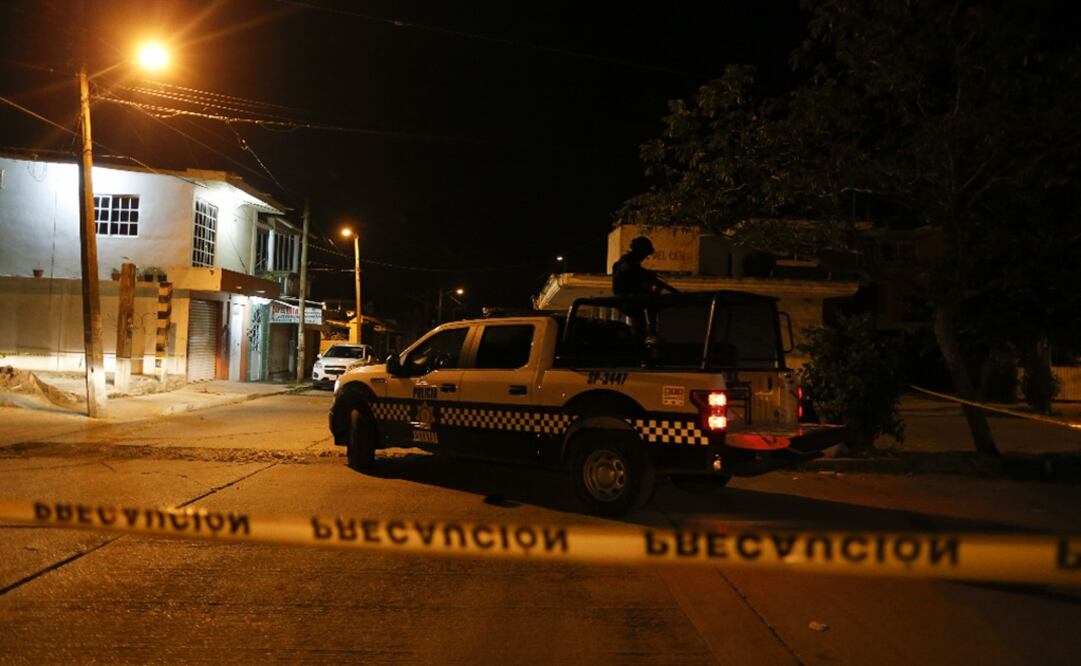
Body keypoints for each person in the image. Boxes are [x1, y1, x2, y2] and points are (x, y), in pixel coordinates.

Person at [611, 236, 678, 344]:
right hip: (628, 299)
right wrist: (646, 276)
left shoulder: (631, 265)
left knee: (651, 305)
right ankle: (647, 335)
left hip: (632, 299)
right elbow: (628, 277)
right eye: (644, 254)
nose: (644, 257)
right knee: (642, 321)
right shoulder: (625, 264)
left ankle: (649, 333)